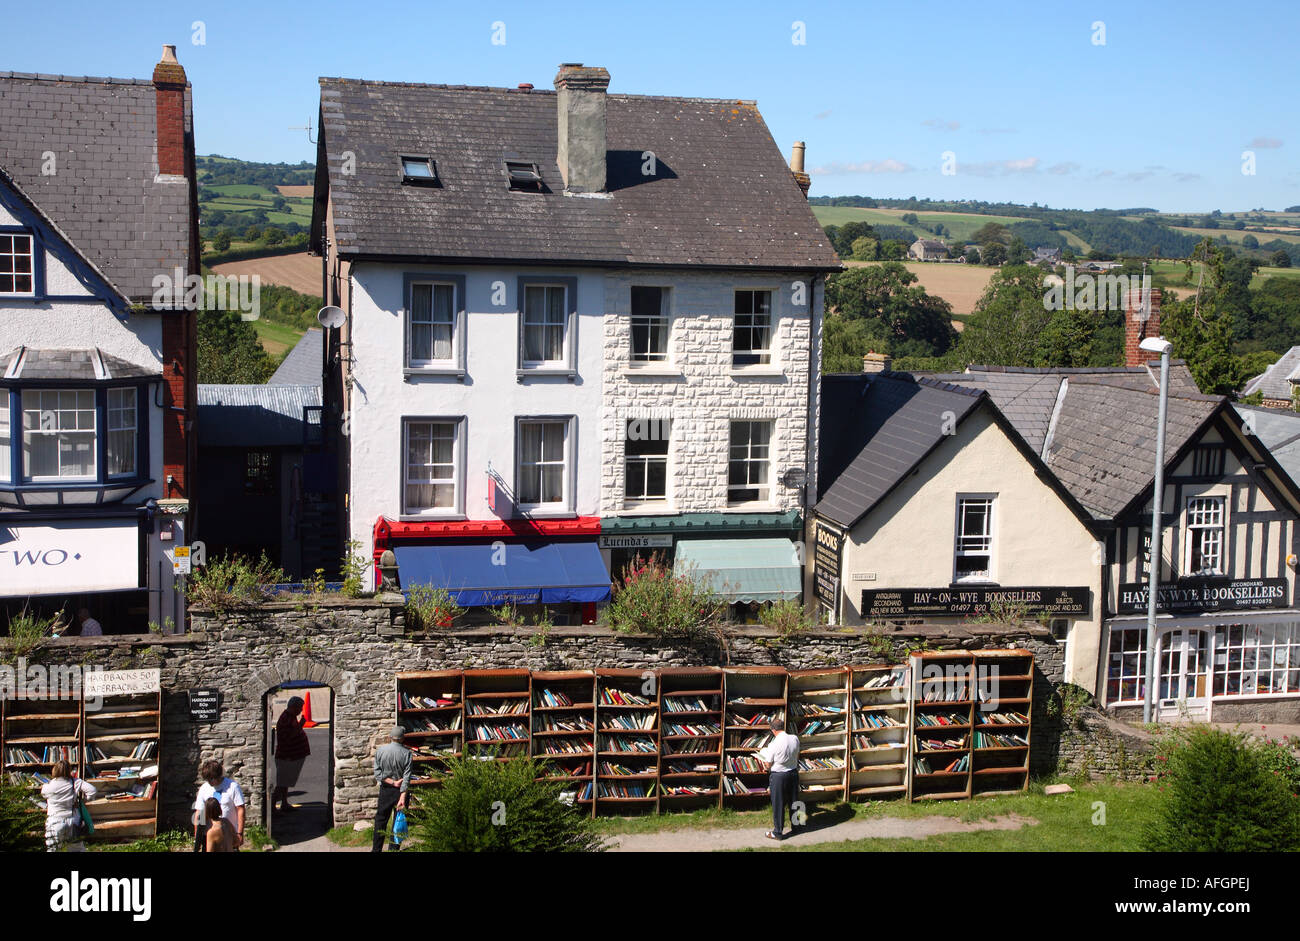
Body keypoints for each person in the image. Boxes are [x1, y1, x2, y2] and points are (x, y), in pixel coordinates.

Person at [756, 717, 801, 841]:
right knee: (795, 801)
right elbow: (797, 754)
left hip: (779, 776)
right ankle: (797, 827)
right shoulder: (794, 738)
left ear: (773, 730)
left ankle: (778, 832)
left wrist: (764, 759)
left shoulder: (773, 744)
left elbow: (768, 764)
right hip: (793, 773)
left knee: (778, 804)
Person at [41, 759, 96, 852]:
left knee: (53, 849)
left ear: (54, 770)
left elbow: (44, 794)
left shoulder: (48, 786)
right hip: (73, 821)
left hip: (55, 821)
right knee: (77, 849)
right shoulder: (75, 782)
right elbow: (92, 790)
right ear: (69, 770)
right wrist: (82, 801)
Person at [372, 726, 412, 852]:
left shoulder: (380, 751)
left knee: (381, 820)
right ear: (402, 738)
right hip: (400, 792)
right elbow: (407, 777)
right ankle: (393, 849)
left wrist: (392, 782)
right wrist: (402, 795)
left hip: (386, 790)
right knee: (398, 822)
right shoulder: (407, 753)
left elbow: (378, 774)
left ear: (390, 737)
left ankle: (376, 849)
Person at [193, 759, 245, 852]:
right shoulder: (204, 788)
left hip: (227, 834)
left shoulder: (232, 786)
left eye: (211, 778)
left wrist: (239, 833)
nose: (209, 781)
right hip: (208, 834)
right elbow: (199, 813)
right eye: (207, 779)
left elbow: (240, 809)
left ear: (217, 775)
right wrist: (197, 836)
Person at [272, 696, 311, 813]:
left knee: (285, 783)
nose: (301, 710)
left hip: (289, 755)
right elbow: (288, 737)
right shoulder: (286, 719)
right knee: (282, 783)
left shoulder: (290, 717)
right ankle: (272, 807)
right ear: (294, 707)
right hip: (286, 756)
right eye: (300, 707)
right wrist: (301, 725)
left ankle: (284, 803)